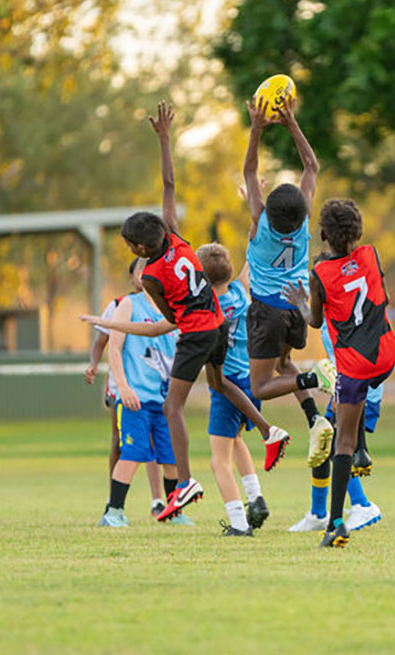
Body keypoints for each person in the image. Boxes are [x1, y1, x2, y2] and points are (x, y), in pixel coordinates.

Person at [82, 101, 289, 522]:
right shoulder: (177, 238)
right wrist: (165, 138)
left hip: (195, 334)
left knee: (173, 407)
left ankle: (186, 482)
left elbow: (169, 323)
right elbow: (170, 184)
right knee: (220, 382)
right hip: (218, 326)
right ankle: (271, 431)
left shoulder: (153, 277)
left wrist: (118, 323)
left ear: (141, 249)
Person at [275, 198, 395, 548]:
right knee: (340, 418)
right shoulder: (371, 255)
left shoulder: (320, 274)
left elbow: (314, 321)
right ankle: (362, 449)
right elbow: (379, 294)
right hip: (386, 354)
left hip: (354, 364)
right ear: (358, 231)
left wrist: (302, 299)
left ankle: (337, 522)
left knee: (337, 441)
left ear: (324, 234)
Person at [243, 94, 335, 466]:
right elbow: (311, 165)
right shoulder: (303, 224)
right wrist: (292, 122)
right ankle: (315, 419)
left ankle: (315, 380)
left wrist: (256, 128)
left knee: (259, 387)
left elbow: (249, 172)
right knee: (284, 366)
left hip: (267, 311)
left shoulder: (260, 223)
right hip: (298, 307)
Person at [198, 243, 272, 536]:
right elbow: (251, 261)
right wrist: (257, 225)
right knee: (236, 439)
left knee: (219, 460)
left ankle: (239, 522)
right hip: (250, 381)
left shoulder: (205, 307)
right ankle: (256, 497)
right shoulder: (241, 293)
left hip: (226, 386)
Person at [97, 277, 181, 527]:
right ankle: (114, 511)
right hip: (135, 399)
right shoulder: (130, 305)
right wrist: (122, 386)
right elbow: (114, 348)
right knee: (132, 453)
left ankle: (173, 511)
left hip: (165, 401)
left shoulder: (175, 311)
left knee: (171, 458)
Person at [288, 319, 384, 533]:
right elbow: (312, 320)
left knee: (337, 447)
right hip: (344, 387)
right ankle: (318, 514)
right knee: (321, 443)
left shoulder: (349, 311)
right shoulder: (328, 311)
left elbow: (359, 353)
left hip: (359, 390)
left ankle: (363, 505)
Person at [85, 260, 166, 515]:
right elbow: (103, 341)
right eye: (139, 271)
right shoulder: (120, 305)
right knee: (122, 441)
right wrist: (94, 365)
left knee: (157, 441)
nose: (144, 275)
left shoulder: (166, 306)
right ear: (131, 277)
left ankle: (158, 500)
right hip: (124, 384)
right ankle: (115, 501)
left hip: (156, 389)